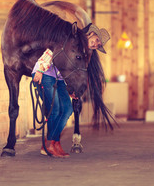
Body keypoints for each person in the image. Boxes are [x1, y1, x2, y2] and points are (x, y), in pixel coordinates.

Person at [32, 23, 110, 158]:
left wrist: (70, 88)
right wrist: (40, 69)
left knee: (68, 110)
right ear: (91, 33)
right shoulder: (73, 39)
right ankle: (52, 143)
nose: (96, 44)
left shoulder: (86, 52)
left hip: (60, 79)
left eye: (99, 44)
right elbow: (53, 49)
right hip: (46, 73)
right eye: (97, 40)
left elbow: (73, 70)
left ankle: (51, 143)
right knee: (55, 109)